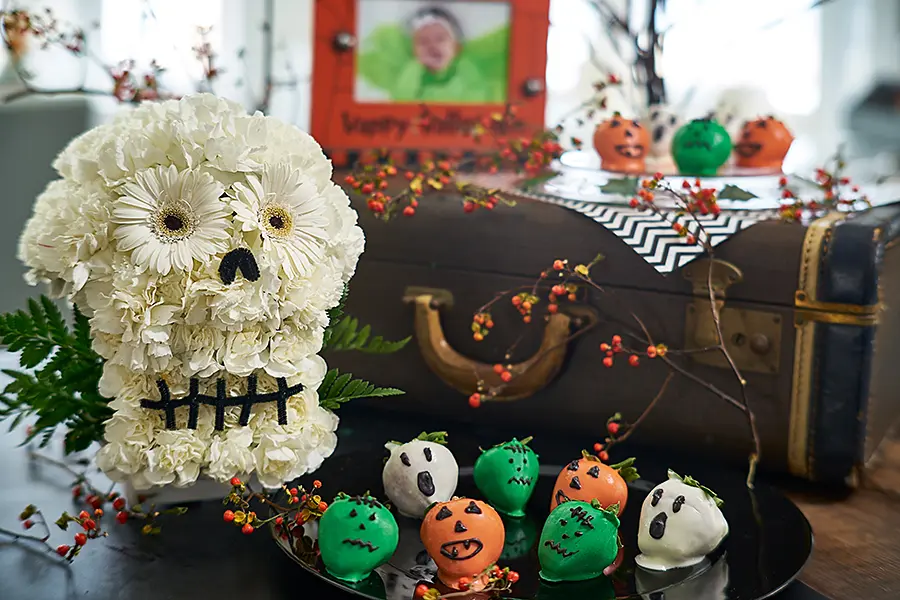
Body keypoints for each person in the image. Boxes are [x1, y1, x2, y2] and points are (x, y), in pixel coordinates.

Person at [356, 4, 508, 104]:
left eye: (440, 39)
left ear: (457, 47)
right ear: (412, 52)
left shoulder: (468, 68)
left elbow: (479, 96)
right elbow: (401, 98)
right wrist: (415, 67)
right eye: (422, 41)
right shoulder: (412, 73)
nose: (432, 46)